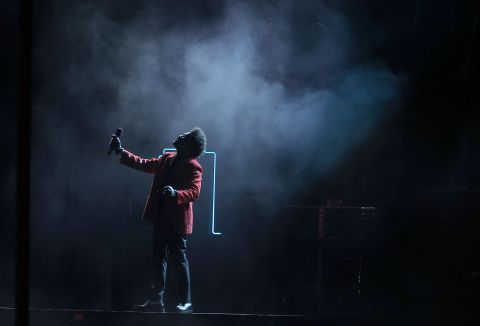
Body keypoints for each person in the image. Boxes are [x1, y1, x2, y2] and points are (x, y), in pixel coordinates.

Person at [109, 127, 207, 313]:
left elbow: (195, 192)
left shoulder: (194, 167)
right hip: (161, 218)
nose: (180, 136)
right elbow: (144, 163)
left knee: (179, 260)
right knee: (158, 260)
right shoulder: (167, 158)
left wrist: (176, 193)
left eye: (184, 137)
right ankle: (156, 300)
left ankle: (186, 302)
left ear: (189, 146)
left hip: (177, 222)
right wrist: (120, 151)